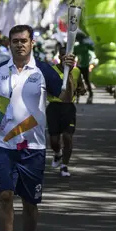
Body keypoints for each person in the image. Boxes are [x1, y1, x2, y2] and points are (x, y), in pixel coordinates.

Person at [0, 25, 76, 231]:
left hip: (33, 146)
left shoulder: (43, 70)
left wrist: (69, 73)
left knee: (30, 204)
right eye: (15, 41)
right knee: (5, 195)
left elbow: (65, 97)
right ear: (9, 44)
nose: (19, 44)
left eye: (23, 40)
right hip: (3, 143)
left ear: (32, 42)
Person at [47, 45, 86, 177]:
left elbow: (81, 87)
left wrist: (81, 90)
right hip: (54, 107)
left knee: (68, 138)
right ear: (59, 57)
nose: (66, 58)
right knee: (54, 140)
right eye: (64, 56)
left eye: (69, 56)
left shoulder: (76, 71)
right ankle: (57, 154)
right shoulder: (51, 71)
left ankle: (64, 166)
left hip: (69, 107)